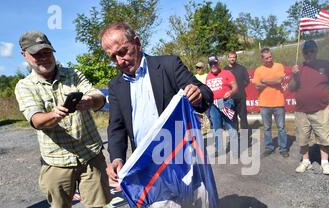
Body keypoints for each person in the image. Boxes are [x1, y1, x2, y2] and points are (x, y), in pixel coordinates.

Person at [14, 31, 113, 208]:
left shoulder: (73, 73)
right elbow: (36, 120)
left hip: (90, 152)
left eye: (47, 52)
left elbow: (99, 96)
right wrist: (54, 115)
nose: (44, 58)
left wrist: (91, 101)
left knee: (95, 202)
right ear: (25, 56)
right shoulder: (24, 86)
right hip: (56, 160)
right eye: (37, 55)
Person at [99, 22, 213, 182]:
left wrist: (198, 94)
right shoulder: (115, 85)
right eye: (113, 57)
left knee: (193, 206)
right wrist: (117, 158)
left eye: (122, 52)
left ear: (137, 43)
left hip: (182, 159)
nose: (119, 61)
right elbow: (116, 127)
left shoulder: (169, 65)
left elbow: (206, 93)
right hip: (146, 166)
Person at [289, 40, 329, 175]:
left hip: (321, 108)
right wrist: (294, 75)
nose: (309, 54)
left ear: (316, 51)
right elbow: (291, 88)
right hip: (301, 110)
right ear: (303, 53)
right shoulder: (299, 68)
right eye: (306, 52)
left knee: (324, 137)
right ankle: (305, 161)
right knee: (302, 138)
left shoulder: (325, 65)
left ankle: (324, 162)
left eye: (312, 51)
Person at [253, 48, 289, 157]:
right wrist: (271, 83)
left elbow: (279, 80)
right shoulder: (258, 70)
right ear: (262, 58)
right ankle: (269, 147)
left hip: (278, 103)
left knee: (281, 128)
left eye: (270, 57)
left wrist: (265, 81)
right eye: (267, 58)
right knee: (267, 128)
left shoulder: (279, 66)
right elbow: (257, 86)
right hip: (264, 104)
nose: (269, 59)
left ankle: (283, 148)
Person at [205, 55, 239, 157]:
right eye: (211, 64)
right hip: (213, 105)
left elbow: (235, 87)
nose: (213, 66)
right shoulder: (208, 76)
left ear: (218, 63)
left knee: (230, 127)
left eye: (215, 63)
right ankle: (218, 149)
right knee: (216, 128)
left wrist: (231, 93)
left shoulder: (226, 73)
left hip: (225, 102)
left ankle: (235, 150)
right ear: (209, 65)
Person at [224, 51, 250, 130]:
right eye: (230, 57)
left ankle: (245, 138)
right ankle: (235, 137)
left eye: (234, 57)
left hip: (241, 97)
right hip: (230, 98)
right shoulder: (224, 70)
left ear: (236, 58)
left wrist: (240, 87)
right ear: (228, 58)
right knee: (233, 118)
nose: (232, 59)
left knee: (243, 118)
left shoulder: (241, 68)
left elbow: (247, 81)